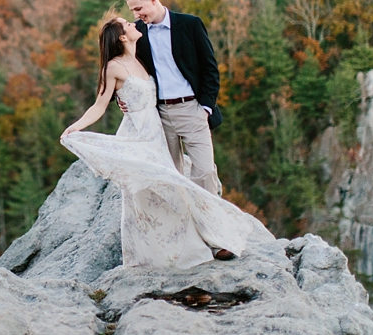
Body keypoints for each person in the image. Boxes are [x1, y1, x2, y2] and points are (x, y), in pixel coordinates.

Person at [61, 17, 266, 268]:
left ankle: (192, 242)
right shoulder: (113, 67)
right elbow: (100, 104)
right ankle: (156, 254)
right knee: (150, 194)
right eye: (127, 24)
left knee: (170, 188)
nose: (134, 23)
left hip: (157, 130)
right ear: (122, 37)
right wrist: (77, 126)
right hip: (138, 133)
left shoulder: (140, 57)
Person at [123, 0, 223, 197]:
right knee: (170, 176)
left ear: (153, 0)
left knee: (205, 172)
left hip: (192, 110)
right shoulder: (136, 32)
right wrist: (121, 98)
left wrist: (205, 108)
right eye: (132, 11)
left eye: (138, 8)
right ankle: (181, 218)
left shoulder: (190, 24)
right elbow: (123, 66)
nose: (136, 15)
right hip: (158, 115)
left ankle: (209, 219)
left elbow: (210, 68)